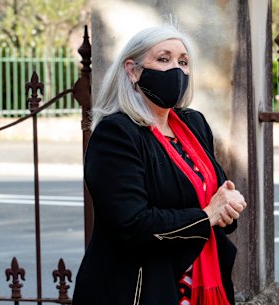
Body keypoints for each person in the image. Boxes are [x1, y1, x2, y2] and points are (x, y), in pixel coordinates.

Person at [72, 25, 247, 305]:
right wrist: (207, 215)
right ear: (133, 70)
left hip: (202, 282)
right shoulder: (116, 134)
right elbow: (132, 223)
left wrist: (227, 206)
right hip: (140, 289)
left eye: (183, 62)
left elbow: (212, 197)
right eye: (163, 59)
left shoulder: (193, 124)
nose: (176, 70)